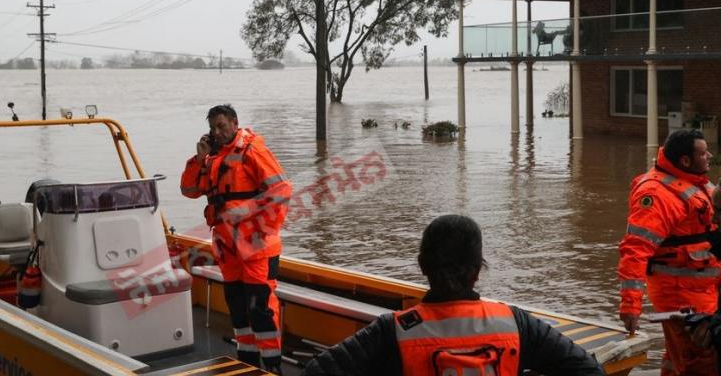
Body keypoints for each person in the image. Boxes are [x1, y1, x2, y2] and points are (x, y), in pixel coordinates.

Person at [302, 214, 605, 376]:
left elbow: (317, 372)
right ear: (477, 270)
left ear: (422, 266)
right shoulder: (516, 324)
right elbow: (588, 370)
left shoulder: (391, 331)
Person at [181, 104, 292, 373]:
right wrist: (199, 160)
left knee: (260, 309)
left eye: (221, 126)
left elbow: (281, 191)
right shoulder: (212, 158)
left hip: (256, 247)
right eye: (213, 128)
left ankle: (272, 366)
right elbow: (188, 189)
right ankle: (248, 362)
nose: (217, 132)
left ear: (234, 123)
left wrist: (256, 228)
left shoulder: (252, 150)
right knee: (239, 307)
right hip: (227, 247)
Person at [618, 129, 721, 375]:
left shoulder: (695, 180)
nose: (710, 155)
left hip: (702, 287)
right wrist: (631, 304)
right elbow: (636, 249)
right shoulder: (656, 195)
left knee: (679, 357)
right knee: (701, 357)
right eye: (703, 152)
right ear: (685, 160)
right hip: (681, 292)